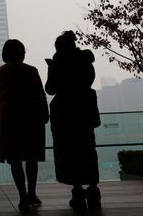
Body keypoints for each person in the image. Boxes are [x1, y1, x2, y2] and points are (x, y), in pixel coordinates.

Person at [0, 39, 49, 212]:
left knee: (15, 160)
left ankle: (22, 196)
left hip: (9, 121)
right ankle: (32, 193)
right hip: (31, 119)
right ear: (22, 53)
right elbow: (41, 96)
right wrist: (44, 114)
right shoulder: (31, 71)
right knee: (31, 158)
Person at [45, 30, 101, 210]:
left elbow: (50, 88)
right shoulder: (86, 60)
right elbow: (89, 80)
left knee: (69, 152)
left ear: (59, 47)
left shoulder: (59, 61)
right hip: (85, 111)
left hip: (65, 113)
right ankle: (93, 192)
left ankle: (77, 194)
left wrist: (50, 68)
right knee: (88, 151)